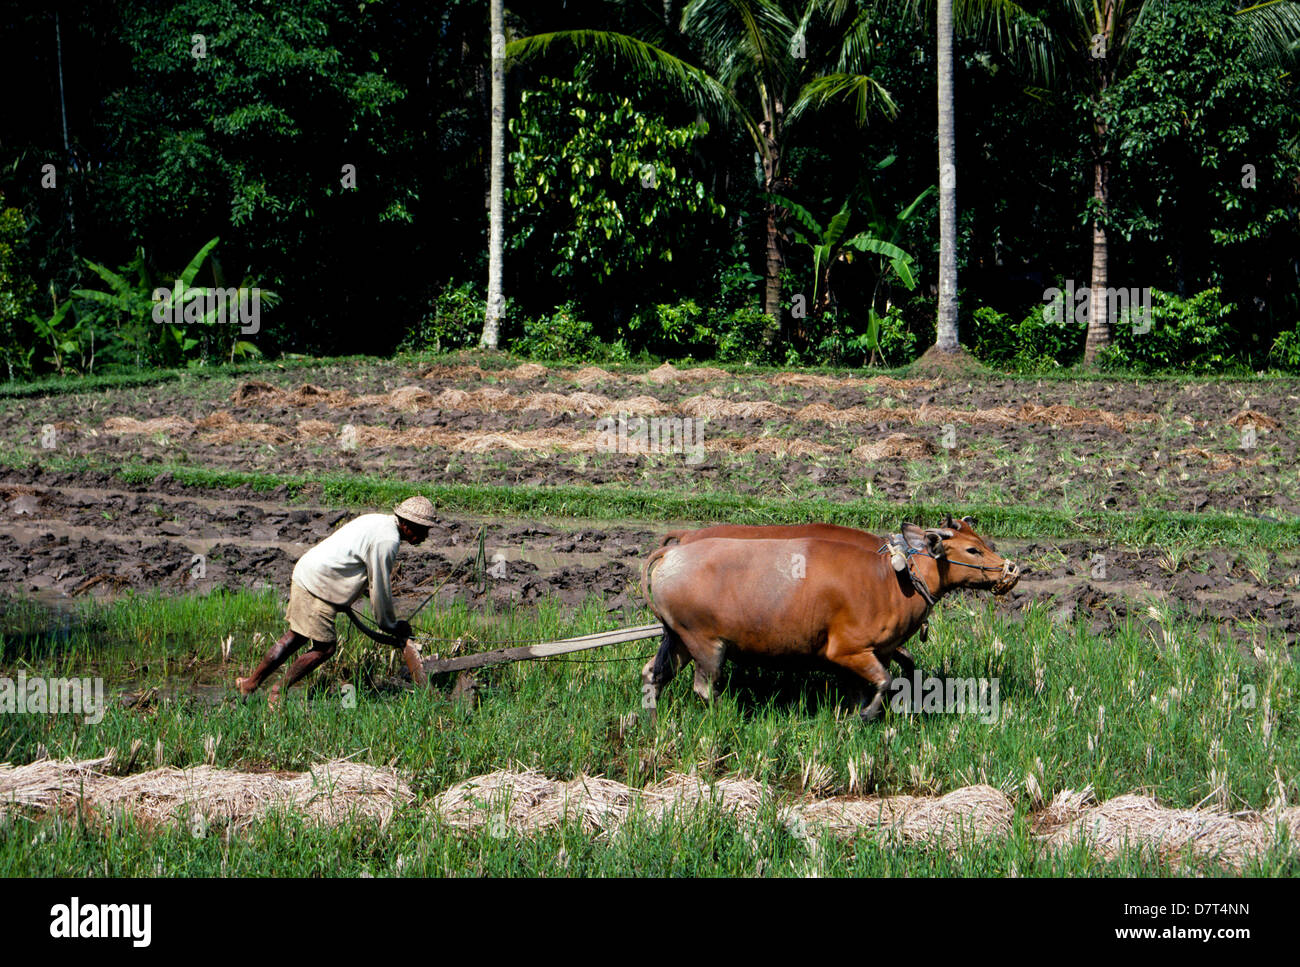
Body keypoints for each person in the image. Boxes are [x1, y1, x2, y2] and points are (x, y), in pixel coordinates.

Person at [236, 496, 436, 706]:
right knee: (325, 648)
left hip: (308, 573)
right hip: (318, 585)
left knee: (296, 637)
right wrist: (391, 625)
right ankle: (277, 692)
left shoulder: (377, 521)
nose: (425, 536)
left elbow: (355, 562)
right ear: (407, 524)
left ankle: (250, 683)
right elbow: (380, 588)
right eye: (423, 530)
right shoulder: (388, 541)